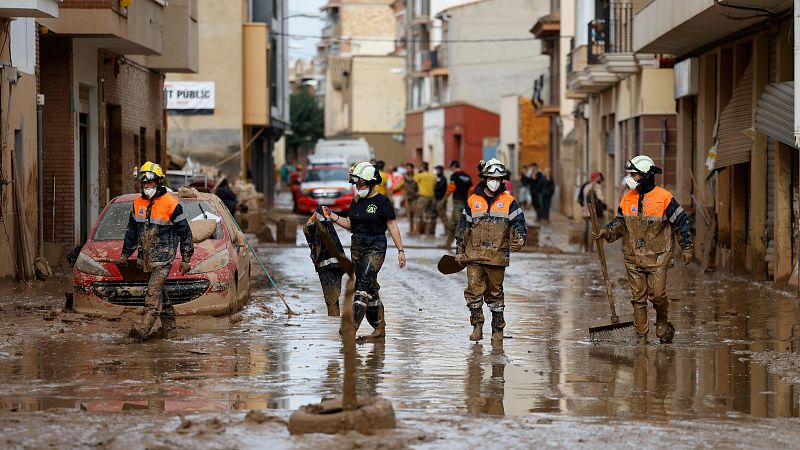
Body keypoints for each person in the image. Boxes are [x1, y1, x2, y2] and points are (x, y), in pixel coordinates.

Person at [594, 155, 694, 345]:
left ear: (647, 176)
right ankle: (642, 340)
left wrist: (687, 247)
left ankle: (662, 320)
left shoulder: (664, 198)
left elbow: (680, 222)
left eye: (634, 174)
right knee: (638, 299)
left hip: (658, 257)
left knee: (657, 295)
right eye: (630, 174)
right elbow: (621, 223)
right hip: (633, 257)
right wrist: (606, 231)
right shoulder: (627, 198)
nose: (630, 178)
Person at [324, 162, 407, 341]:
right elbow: (350, 224)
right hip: (357, 247)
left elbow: (392, 225)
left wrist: (400, 250)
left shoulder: (382, 202)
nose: (357, 187)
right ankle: (379, 329)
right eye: (356, 183)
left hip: (376, 246)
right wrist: (331, 215)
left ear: (370, 182)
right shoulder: (355, 202)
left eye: (360, 183)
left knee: (361, 285)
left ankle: (351, 327)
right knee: (371, 288)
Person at [116, 162, 193, 339]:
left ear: (158, 182)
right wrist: (125, 255)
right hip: (146, 259)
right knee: (160, 292)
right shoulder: (137, 204)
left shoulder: (171, 204)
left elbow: (185, 231)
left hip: (164, 258)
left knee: (152, 292)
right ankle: (170, 328)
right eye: (144, 184)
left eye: (149, 183)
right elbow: (131, 232)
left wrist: (186, 258)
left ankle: (143, 328)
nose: (146, 187)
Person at [456, 158, 526, 342]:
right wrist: (459, 249)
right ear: (485, 178)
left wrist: (520, 238)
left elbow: (519, 223)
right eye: (491, 178)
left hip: (497, 256)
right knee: (473, 292)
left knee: (496, 294)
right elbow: (463, 226)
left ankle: (497, 330)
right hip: (474, 255)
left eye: (499, 178)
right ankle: (477, 326)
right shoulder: (473, 200)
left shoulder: (509, 201)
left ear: (503, 180)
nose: (495, 182)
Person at [303, 206, 345, 316]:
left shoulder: (317, 229)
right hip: (336, 265)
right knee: (333, 298)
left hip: (328, 266)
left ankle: (334, 318)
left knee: (331, 299)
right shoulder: (327, 231)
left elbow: (307, 229)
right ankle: (334, 319)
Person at [441, 160, 472, 249]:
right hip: (465, 203)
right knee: (453, 224)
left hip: (457, 203)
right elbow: (471, 190)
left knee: (461, 224)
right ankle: (447, 245)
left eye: (450, 167)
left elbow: (451, 189)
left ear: (454, 166)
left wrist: (443, 201)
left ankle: (468, 246)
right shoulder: (467, 176)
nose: (450, 169)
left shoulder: (454, 176)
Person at [580, 172, 606, 252]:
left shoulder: (586, 186)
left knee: (587, 230)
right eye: (598, 177)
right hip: (594, 212)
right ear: (596, 178)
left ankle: (585, 248)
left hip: (585, 211)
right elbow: (600, 198)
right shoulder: (596, 187)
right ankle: (595, 249)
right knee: (599, 230)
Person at [413, 162, 436, 235]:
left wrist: (418, 172)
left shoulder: (420, 175)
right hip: (431, 197)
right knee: (427, 214)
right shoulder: (433, 176)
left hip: (422, 197)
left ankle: (417, 231)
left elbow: (414, 180)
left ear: (422, 167)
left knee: (418, 215)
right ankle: (427, 231)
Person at [430, 165, 449, 235]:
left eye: (437, 170)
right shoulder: (437, 178)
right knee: (433, 215)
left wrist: (434, 187)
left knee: (443, 216)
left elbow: (439, 187)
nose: (436, 171)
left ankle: (447, 231)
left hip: (441, 200)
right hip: (435, 199)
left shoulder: (443, 178)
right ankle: (431, 231)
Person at [402, 163, 419, 231]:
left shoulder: (416, 176)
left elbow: (412, 180)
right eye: (407, 168)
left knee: (416, 214)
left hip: (415, 197)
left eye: (409, 168)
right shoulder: (404, 176)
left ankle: (417, 229)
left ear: (412, 169)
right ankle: (411, 229)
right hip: (407, 197)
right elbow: (402, 185)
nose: (408, 169)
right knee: (410, 214)